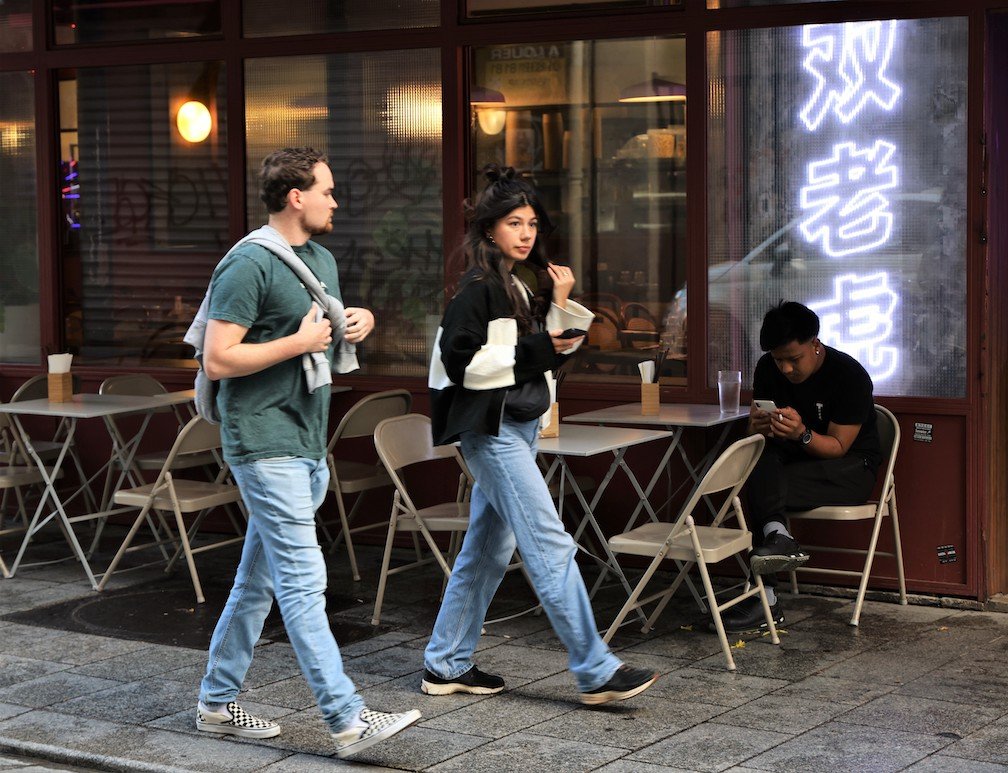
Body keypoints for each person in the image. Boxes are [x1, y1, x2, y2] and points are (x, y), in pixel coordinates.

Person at [194, 148, 420, 759]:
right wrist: (297, 342)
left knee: (256, 583)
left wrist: (357, 321)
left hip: (304, 439)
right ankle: (348, 719)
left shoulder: (317, 258)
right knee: (302, 582)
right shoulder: (247, 265)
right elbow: (219, 358)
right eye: (327, 190)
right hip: (263, 442)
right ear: (296, 196)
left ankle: (216, 704)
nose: (335, 200)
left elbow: (323, 335)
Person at [423, 165, 658, 705]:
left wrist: (559, 302)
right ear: (489, 231)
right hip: (494, 434)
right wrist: (540, 346)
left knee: (487, 550)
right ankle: (595, 668)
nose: (526, 233)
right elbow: (459, 365)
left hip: (518, 429)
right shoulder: (478, 291)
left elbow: (544, 359)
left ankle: (445, 663)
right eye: (513, 223)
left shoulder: (515, 286)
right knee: (550, 544)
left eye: (531, 223)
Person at [719, 300, 882, 634]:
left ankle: (766, 597)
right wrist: (756, 426)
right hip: (790, 463)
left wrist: (802, 433)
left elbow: (838, 447)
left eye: (794, 359)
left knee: (761, 488)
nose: (786, 369)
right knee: (757, 460)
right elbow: (760, 438)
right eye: (779, 360)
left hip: (849, 469)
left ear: (815, 344)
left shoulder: (849, 375)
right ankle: (778, 539)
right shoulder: (767, 369)